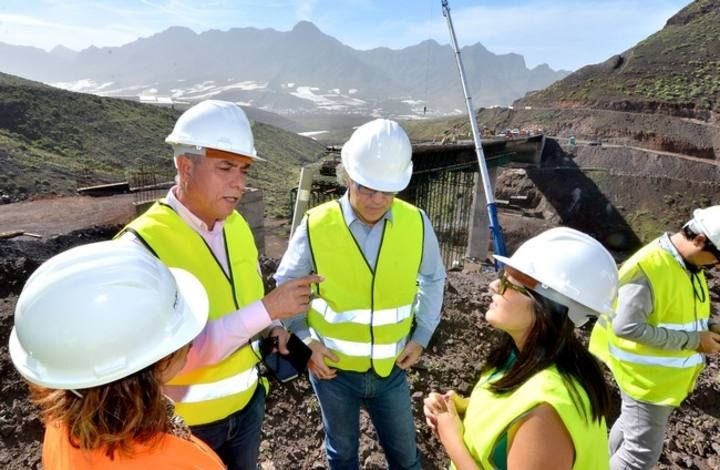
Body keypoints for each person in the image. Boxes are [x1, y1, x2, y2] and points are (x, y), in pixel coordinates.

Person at [117, 99, 320, 469]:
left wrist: (284, 336)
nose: (239, 183)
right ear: (185, 166)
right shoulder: (141, 247)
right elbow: (170, 360)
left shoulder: (237, 227)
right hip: (181, 430)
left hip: (247, 409)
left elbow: (246, 308)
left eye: (243, 170)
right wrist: (270, 308)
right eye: (225, 167)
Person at [274, 118, 446, 469]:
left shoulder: (417, 223)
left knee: (407, 459)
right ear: (348, 176)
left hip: (392, 371)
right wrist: (305, 345)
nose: (378, 199)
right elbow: (285, 289)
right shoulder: (316, 225)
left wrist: (423, 335)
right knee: (342, 456)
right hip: (332, 373)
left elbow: (433, 278)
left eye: (388, 191)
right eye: (368, 188)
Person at [9, 241, 224, 469]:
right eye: (184, 338)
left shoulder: (63, 425)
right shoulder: (183, 462)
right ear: (160, 362)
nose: (189, 344)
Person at [424, 227, 617, 470]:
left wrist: (451, 437)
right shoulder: (521, 357)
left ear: (545, 307)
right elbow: (509, 413)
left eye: (508, 282)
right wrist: (463, 408)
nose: (494, 285)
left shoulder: (547, 410)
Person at [589, 206, 720, 470]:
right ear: (699, 240)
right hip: (645, 378)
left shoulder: (684, 265)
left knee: (629, 428)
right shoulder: (648, 268)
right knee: (640, 456)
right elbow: (626, 327)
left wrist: (711, 325)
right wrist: (695, 341)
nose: (717, 266)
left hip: (655, 377)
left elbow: (674, 311)